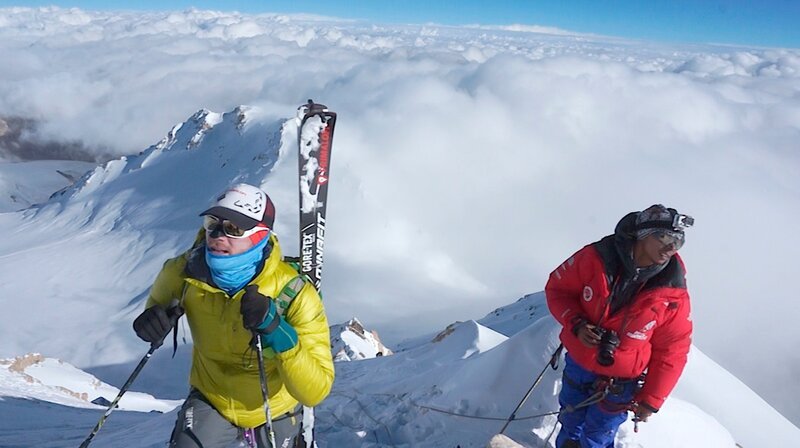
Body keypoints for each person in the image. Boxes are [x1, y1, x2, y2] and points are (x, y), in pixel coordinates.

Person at [133, 183, 335, 448]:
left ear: (261, 235)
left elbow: (315, 391)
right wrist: (149, 324)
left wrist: (277, 331)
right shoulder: (182, 273)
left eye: (234, 229)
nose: (218, 235)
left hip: (276, 406)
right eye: (212, 223)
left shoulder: (294, 292)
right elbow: (154, 312)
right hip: (212, 397)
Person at [545, 204, 694, 448]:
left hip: (621, 380)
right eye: (664, 237)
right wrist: (576, 323)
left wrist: (651, 399)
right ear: (642, 235)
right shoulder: (596, 258)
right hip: (580, 362)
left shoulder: (672, 291)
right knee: (570, 420)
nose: (671, 247)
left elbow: (673, 348)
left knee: (598, 436)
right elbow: (558, 290)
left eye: (678, 241)